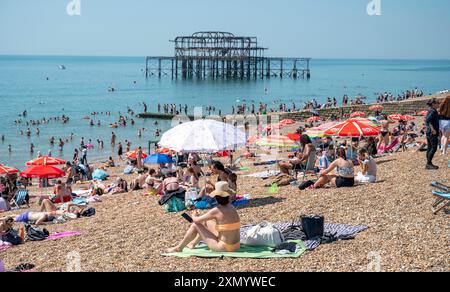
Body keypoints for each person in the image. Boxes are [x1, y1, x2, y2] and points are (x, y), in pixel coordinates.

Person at [166, 182, 241, 253]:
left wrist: (194, 214)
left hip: (224, 247)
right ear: (228, 195)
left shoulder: (217, 210)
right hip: (236, 246)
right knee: (207, 222)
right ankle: (192, 243)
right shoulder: (232, 207)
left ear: (216, 197)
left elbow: (196, 220)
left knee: (195, 225)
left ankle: (179, 248)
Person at [425, 98, 441, 170]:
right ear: (433, 104)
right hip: (432, 132)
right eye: (438, 103)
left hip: (429, 132)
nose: (439, 104)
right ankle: (428, 164)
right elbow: (428, 120)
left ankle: (428, 163)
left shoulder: (432, 110)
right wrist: (433, 129)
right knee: (433, 148)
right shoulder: (432, 111)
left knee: (429, 147)